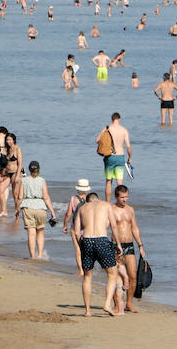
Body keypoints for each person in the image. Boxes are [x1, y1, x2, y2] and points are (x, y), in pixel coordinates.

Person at [73, 192, 123, 317]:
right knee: (112, 274)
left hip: (87, 240)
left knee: (87, 276)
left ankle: (88, 311)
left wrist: (81, 245)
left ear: (88, 201)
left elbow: (77, 232)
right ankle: (107, 304)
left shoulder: (82, 208)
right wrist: (118, 244)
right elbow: (114, 226)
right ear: (98, 199)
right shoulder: (106, 205)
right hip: (101, 240)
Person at [111, 185, 145, 313]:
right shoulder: (111, 209)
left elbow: (134, 228)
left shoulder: (131, 210)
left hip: (130, 245)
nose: (125, 199)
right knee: (116, 276)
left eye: (126, 197)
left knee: (133, 276)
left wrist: (140, 245)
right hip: (116, 245)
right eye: (122, 197)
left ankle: (129, 303)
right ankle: (116, 304)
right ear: (116, 197)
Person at [15, 160, 56, 260]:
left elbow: (20, 197)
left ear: (29, 170)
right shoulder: (42, 180)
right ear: (39, 170)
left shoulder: (23, 180)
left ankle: (33, 256)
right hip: (41, 207)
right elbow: (46, 197)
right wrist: (52, 211)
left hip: (28, 207)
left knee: (31, 233)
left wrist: (17, 210)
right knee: (40, 232)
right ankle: (40, 255)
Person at [98, 112, 131, 201]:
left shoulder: (107, 128)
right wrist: (130, 158)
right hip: (120, 156)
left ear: (112, 119)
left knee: (109, 181)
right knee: (119, 181)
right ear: (119, 119)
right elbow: (128, 147)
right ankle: (120, 201)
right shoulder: (124, 130)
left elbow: (97, 140)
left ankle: (108, 203)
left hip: (110, 156)